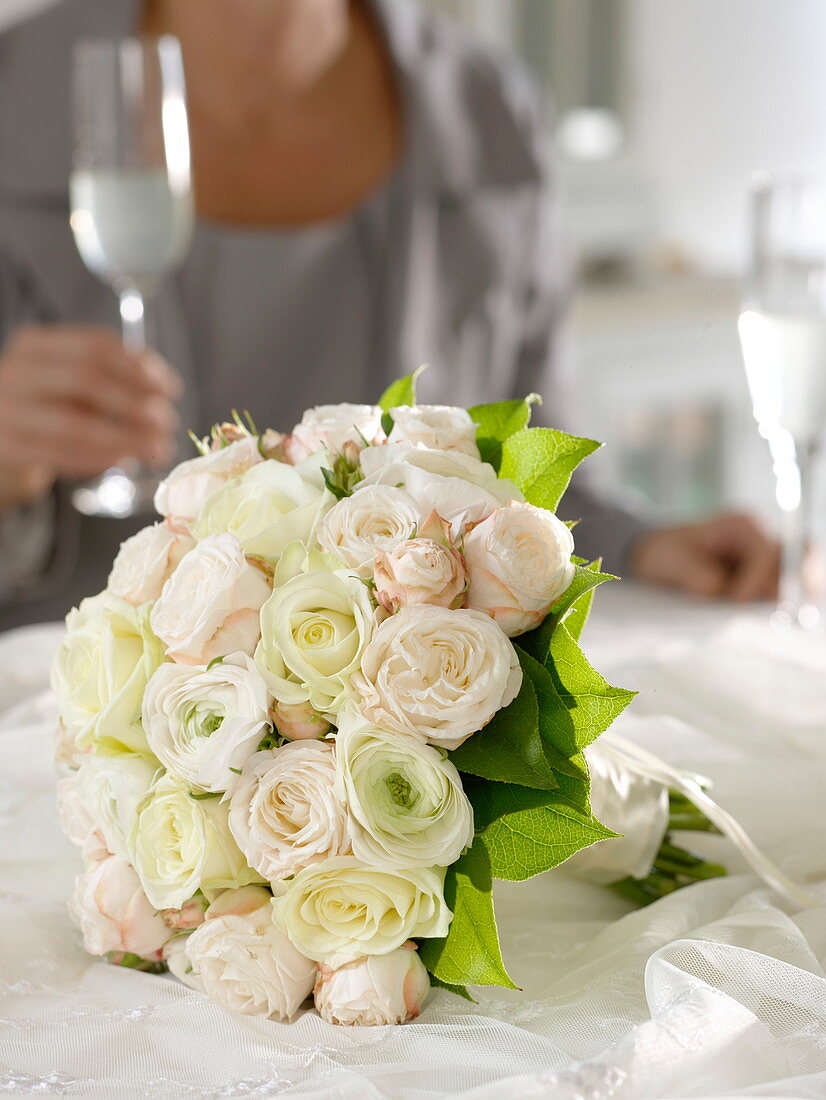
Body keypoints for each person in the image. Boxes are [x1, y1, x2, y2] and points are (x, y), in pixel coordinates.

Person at [0, 0, 779, 631]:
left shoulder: (487, 108)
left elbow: (519, 474)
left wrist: (644, 546)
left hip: (397, 758)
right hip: (79, 743)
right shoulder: (15, 90)